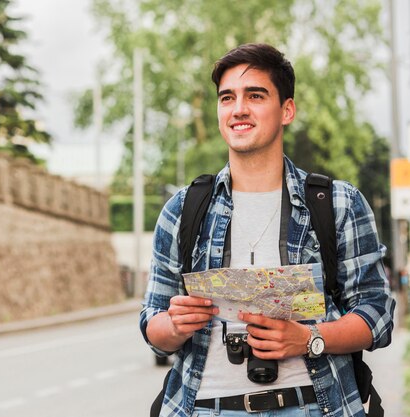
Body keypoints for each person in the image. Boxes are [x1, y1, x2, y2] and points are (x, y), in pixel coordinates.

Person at [140, 43, 396, 417]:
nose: (238, 108)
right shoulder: (183, 209)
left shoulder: (337, 203)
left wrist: (309, 339)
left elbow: (378, 314)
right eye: (227, 97)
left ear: (286, 110)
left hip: (313, 406)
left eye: (255, 95)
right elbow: (153, 327)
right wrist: (175, 325)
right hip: (202, 407)